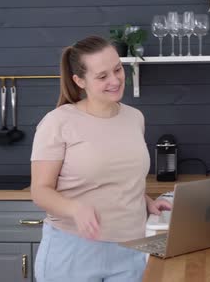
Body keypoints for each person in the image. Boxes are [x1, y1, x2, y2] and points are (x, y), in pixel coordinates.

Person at [30, 35, 172, 282]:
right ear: (79, 80)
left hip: (131, 249)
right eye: (102, 76)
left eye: (118, 69)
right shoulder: (57, 122)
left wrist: (145, 200)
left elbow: (117, 177)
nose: (115, 80)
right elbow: (40, 190)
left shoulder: (134, 118)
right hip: (73, 251)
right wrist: (75, 209)